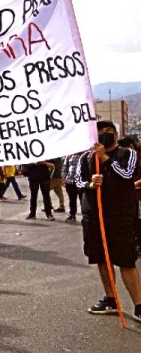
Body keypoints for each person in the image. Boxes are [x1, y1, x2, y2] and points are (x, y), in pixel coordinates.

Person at [75, 120, 141, 322]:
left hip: (120, 216)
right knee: (101, 259)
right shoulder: (86, 158)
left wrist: (105, 159)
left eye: (109, 131)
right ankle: (111, 299)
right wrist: (90, 183)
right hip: (94, 216)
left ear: (115, 133)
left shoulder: (127, 154)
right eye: (100, 132)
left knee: (126, 261)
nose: (105, 134)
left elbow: (127, 175)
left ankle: (139, 305)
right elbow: (77, 180)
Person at [62, 152, 85, 222]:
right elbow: (65, 167)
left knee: (83, 200)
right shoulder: (70, 154)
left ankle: (84, 216)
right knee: (72, 199)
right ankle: (72, 215)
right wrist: (64, 178)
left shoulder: (85, 155)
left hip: (81, 181)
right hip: (70, 180)